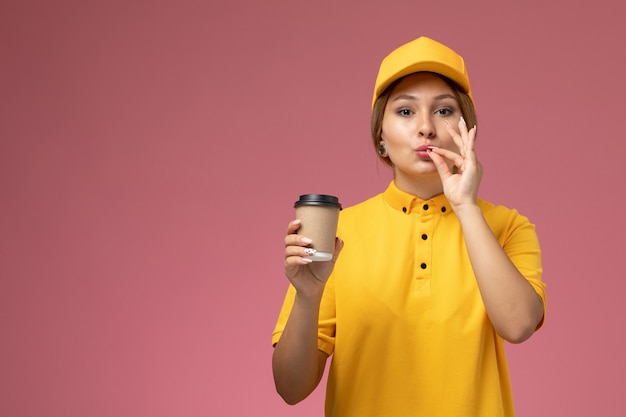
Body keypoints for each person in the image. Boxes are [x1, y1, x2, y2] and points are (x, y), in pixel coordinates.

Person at [271, 36, 546, 417]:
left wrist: (465, 205)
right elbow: (291, 388)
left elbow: (518, 326)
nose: (426, 128)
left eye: (445, 111)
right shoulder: (338, 235)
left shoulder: (507, 226)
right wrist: (306, 295)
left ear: (468, 130)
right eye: (404, 112)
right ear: (380, 137)